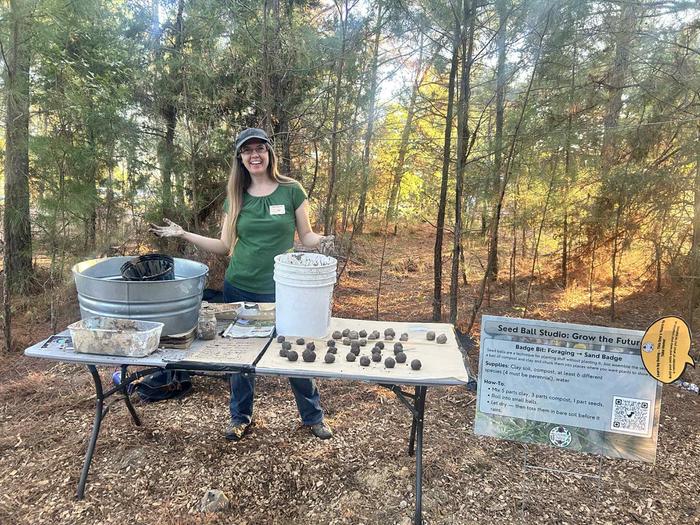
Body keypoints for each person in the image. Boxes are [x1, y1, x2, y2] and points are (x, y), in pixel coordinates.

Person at [150, 127, 334, 442]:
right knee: (240, 358)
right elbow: (224, 246)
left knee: (295, 349)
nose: (254, 155)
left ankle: (312, 416)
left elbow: (306, 237)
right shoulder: (235, 197)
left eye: (259, 148)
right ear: (241, 158)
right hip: (240, 287)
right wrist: (183, 234)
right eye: (247, 150)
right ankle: (240, 417)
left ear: (269, 153)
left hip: (282, 289)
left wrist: (324, 241)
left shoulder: (291, 190)